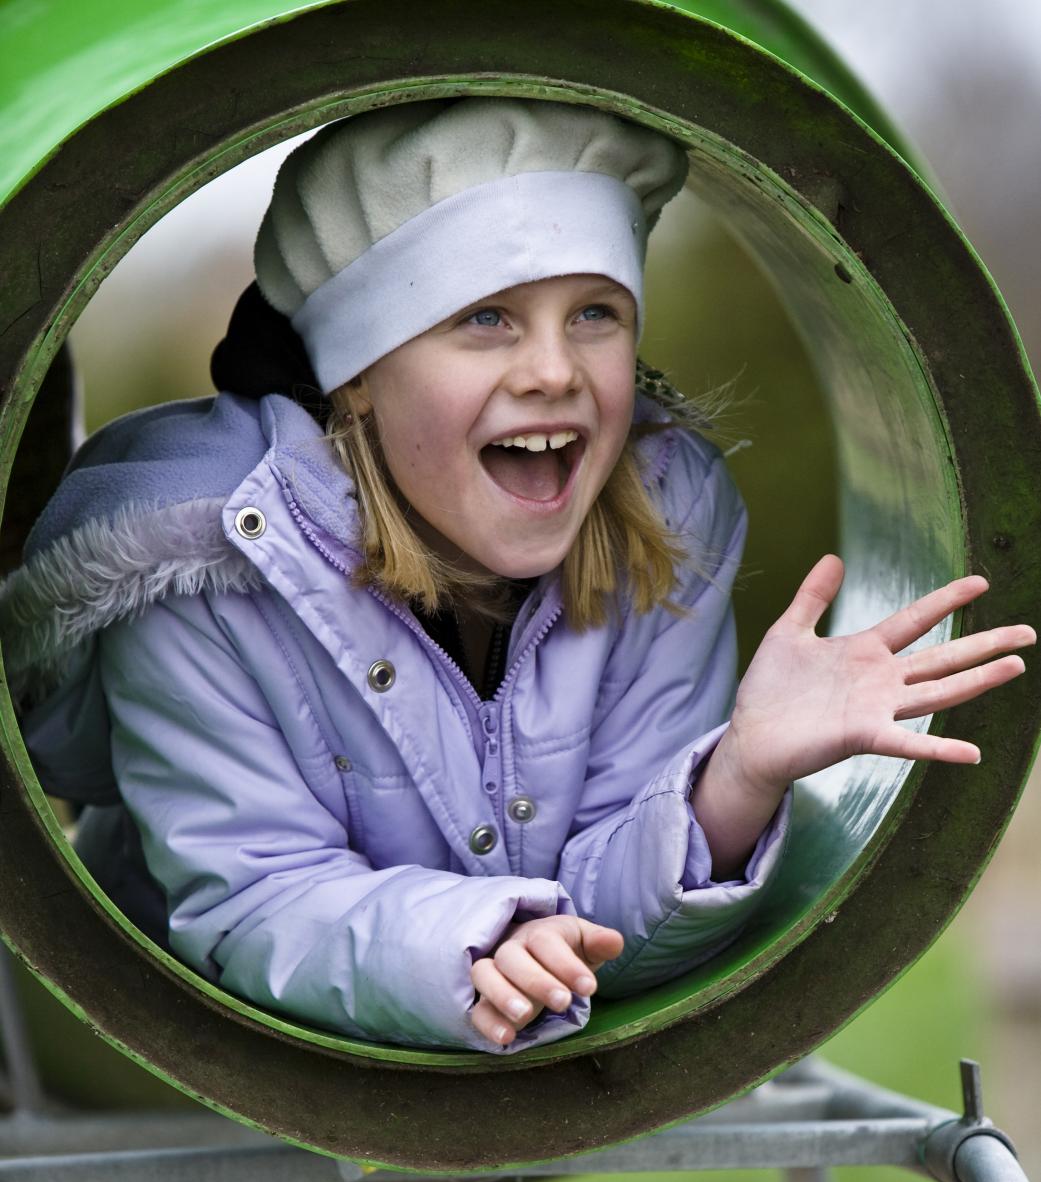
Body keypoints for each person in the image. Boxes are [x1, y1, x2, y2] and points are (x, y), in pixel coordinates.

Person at [0, 99, 1032, 1055]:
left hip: (512, 1077)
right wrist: (473, 943)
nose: (553, 370)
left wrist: (735, 781)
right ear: (358, 377)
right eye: (485, 317)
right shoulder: (207, 567)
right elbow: (253, 900)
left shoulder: (661, 521)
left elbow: (609, 911)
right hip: (190, 1050)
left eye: (595, 313)